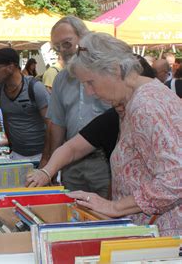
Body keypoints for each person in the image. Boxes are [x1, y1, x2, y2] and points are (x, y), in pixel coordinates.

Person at [62, 32, 180, 236]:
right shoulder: (138, 98)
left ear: (115, 70)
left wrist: (114, 208)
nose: (89, 92)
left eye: (90, 82)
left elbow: (176, 178)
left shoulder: (145, 105)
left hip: (164, 235)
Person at [26, 55, 156, 187]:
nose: (90, 91)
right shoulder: (111, 117)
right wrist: (47, 171)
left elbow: (170, 181)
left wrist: (117, 207)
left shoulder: (154, 114)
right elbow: (73, 147)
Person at [46, 16, 111, 198]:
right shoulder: (60, 79)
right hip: (71, 163)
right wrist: (52, 165)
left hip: (105, 161)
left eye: (67, 44)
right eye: (57, 47)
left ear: (84, 37)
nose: (62, 51)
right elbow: (57, 124)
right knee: (74, 216)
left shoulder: (107, 71)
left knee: (106, 218)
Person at [0, 48, 51, 163]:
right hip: (16, 155)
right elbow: (6, 119)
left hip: (41, 155)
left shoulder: (35, 88)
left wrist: (45, 159)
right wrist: (11, 148)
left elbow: (52, 125)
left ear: (10, 67)